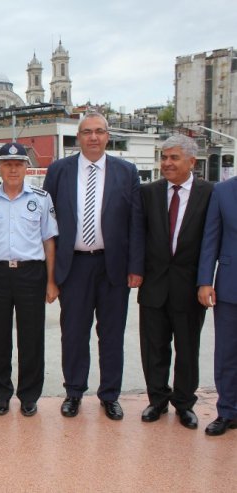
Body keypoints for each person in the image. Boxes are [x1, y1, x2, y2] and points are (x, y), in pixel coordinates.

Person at [43, 112, 144, 420]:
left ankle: (110, 395)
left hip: (112, 265)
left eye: (99, 131)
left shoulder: (126, 171)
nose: (93, 137)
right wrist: (50, 274)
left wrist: (136, 267)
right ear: (79, 136)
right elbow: (46, 221)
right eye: (87, 132)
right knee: (73, 333)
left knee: (111, 334)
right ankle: (74, 392)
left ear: (107, 135)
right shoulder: (59, 170)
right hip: (73, 267)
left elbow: (136, 223)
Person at [138, 135, 212, 429]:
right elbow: (139, 236)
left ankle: (184, 403)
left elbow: (211, 240)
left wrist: (206, 281)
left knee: (187, 348)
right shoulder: (149, 193)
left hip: (189, 286)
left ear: (192, 162)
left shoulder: (209, 194)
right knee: (153, 347)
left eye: (174, 158)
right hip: (154, 285)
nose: (167, 163)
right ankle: (157, 400)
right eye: (164, 157)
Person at [0, 143, 58, 418]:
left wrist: (51, 281)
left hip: (30, 274)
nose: (13, 169)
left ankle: (29, 395)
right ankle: (0, 395)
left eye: (18, 164)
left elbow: (49, 242)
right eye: (7, 164)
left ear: (26, 167)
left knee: (31, 338)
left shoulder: (41, 198)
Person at [197, 176, 237, 436]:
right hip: (230, 286)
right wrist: (204, 281)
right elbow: (211, 239)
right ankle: (227, 411)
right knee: (227, 353)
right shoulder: (223, 191)